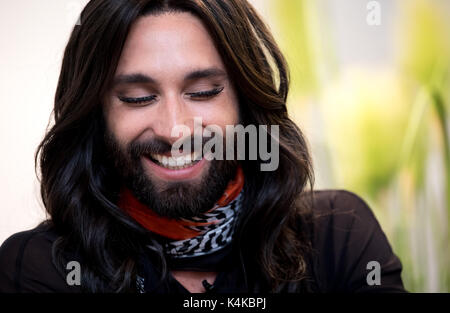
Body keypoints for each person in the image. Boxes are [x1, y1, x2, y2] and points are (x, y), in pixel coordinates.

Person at [0, 0, 406, 293]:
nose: (175, 129)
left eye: (204, 92)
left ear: (246, 103)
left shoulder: (339, 234)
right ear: (97, 115)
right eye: (138, 98)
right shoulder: (43, 267)